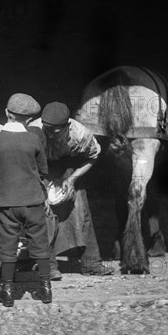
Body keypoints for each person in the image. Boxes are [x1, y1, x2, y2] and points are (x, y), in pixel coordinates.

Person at [0, 93, 52, 307]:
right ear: (29, 119)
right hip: (32, 200)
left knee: (7, 243)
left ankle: (7, 290)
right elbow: (43, 170)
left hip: (5, 201)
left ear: (7, 113)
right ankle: (45, 288)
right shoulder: (33, 139)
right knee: (39, 242)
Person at [39, 101, 115, 277]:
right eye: (47, 129)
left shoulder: (81, 134)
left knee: (81, 212)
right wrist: (42, 181)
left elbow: (93, 157)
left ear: (67, 126)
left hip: (71, 166)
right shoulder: (35, 131)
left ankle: (91, 263)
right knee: (45, 213)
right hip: (44, 168)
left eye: (55, 131)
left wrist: (72, 179)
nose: (50, 135)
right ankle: (49, 266)